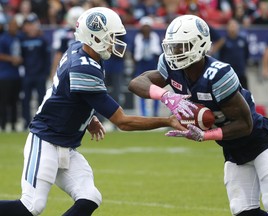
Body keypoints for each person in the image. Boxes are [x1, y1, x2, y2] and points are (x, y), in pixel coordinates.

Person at [0, 7, 189, 216]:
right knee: (31, 206)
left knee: (90, 197)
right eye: (110, 37)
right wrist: (168, 121)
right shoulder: (84, 69)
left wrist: (89, 117)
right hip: (45, 140)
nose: (114, 42)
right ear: (95, 37)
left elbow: (68, 93)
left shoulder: (79, 50)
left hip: (66, 144)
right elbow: (123, 122)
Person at [128, 14, 268, 216]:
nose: (175, 52)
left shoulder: (218, 74)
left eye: (181, 46)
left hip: (261, 141)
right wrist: (166, 96)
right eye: (172, 46)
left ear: (199, 44)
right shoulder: (171, 67)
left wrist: (205, 135)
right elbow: (136, 83)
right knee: (242, 210)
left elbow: (244, 124)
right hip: (233, 149)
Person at [20, 13, 50, 129]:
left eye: (32, 24)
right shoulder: (22, 39)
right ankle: (26, 121)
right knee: (25, 99)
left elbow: (47, 58)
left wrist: (46, 73)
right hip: (27, 74)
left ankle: (41, 121)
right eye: (28, 25)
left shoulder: (42, 39)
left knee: (41, 100)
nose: (30, 27)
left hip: (40, 75)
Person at [132, 16, 162, 116]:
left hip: (152, 65)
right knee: (141, 90)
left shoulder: (155, 37)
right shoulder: (137, 38)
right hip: (141, 65)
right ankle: (144, 114)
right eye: (144, 27)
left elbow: (157, 52)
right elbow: (134, 54)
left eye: (147, 27)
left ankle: (155, 113)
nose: (146, 29)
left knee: (156, 90)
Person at [0, 17, 22, 131]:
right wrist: (12, 59)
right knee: (4, 101)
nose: (14, 28)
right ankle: (3, 125)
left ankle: (13, 124)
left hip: (15, 74)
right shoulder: (3, 39)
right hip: (4, 75)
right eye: (12, 25)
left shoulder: (18, 38)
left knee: (14, 101)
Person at [218, 19, 250, 89]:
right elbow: (219, 56)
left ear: (238, 27)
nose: (233, 28)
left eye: (234, 26)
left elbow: (246, 54)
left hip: (241, 72)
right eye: (231, 26)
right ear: (227, 27)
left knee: (244, 93)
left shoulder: (243, 40)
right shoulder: (223, 41)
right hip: (228, 74)